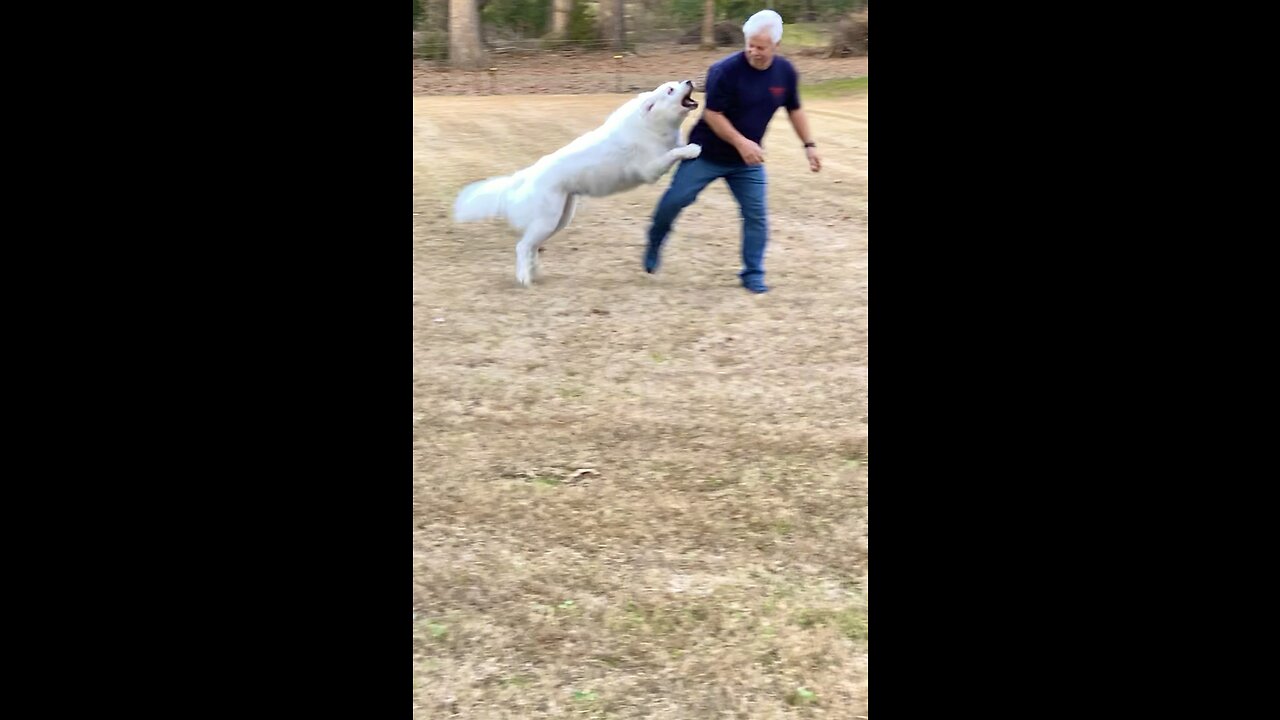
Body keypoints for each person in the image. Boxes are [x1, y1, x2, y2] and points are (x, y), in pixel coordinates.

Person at [644, 9, 822, 294]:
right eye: (749, 44)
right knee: (675, 201)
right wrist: (742, 143)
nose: (753, 51)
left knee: (756, 215)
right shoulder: (724, 70)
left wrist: (809, 146)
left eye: (761, 47)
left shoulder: (785, 73)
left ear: (776, 45)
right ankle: (655, 239)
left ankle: (752, 273)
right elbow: (713, 115)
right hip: (706, 152)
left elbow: (795, 109)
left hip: (746, 162)